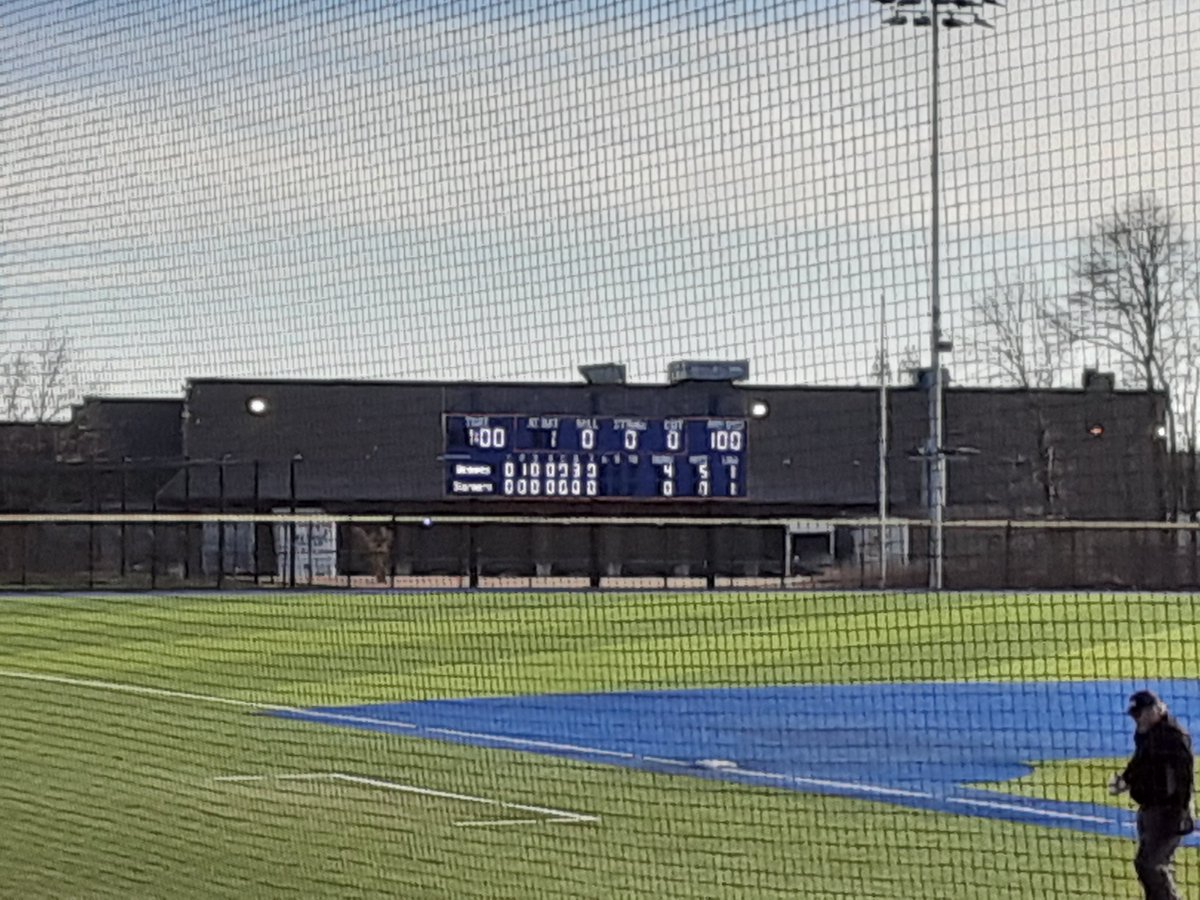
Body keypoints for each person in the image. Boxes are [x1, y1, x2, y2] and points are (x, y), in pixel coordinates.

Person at [1109, 690, 1195, 900]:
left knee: (1149, 864)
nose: (1136, 719)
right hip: (1149, 808)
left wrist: (1182, 811)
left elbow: (1184, 778)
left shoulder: (1173, 736)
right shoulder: (1145, 733)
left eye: (1140, 714)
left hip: (1169, 811)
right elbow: (1139, 761)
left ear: (1155, 710)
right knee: (1149, 865)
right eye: (1134, 715)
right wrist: (1126, 780)